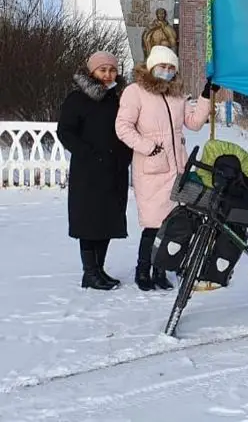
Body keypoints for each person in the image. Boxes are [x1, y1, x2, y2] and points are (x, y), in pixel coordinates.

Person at [115, 45, 216, 291]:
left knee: (171, 224)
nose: (167, 71)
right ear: (151, 66)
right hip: (151, 168)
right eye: (163, 66)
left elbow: (192, 123)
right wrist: (148, 147)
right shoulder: (135, 92)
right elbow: (123, 127)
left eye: (172, 67)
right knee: (153, 224)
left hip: (177, 168)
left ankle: (160, 270)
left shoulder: (177, 95)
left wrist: (205, 96)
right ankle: (143, 271)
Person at [56, 51, 133, 290]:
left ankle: (99, 269)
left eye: (112, 70)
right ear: (92, 72)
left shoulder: (120, 98)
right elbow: (65, 131)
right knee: (89, 222)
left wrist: (125, 156)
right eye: (103, 70)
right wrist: (88, 153)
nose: (108, 74)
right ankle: (89, 272)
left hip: (115, 170)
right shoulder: (77, 99)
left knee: (107, 221)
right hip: (88, 172)